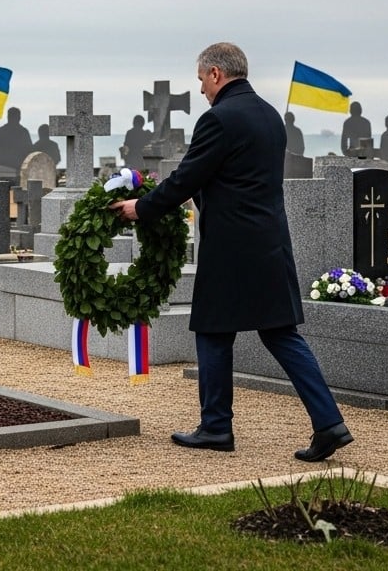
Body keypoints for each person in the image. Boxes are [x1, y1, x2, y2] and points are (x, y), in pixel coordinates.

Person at [109, 42, 352, 462]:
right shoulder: (270, 116)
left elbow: (188, 178)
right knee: (280, 333)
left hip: (231, 247)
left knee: (213, 331)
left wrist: (141, 208)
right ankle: (329, 422)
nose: (201, 88)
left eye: (202, 79)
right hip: (270, 242)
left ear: (217, 73)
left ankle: (217, 427)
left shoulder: (219, 118)